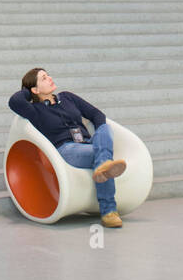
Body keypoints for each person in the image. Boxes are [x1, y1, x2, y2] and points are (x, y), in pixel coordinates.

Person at [9, 68, 126, 227]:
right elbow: (14, 101)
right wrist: (29, 93)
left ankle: (103, 165)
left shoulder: (68, 97)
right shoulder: (34, 110)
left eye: (48, 74)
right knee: (101, 155)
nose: (50, 78)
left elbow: (97, 115)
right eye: (43, 78)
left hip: (89, 143)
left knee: (105, 129)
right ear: (35, 89)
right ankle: (108, 210)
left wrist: (99, 139)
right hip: (67, 149)